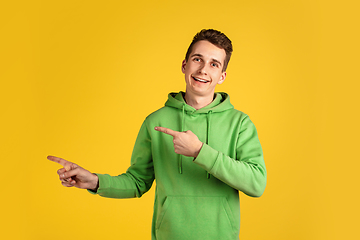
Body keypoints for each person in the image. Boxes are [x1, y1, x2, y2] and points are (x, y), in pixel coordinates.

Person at [48, 29, 267, 240]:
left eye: (214, 64)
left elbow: (256, 184)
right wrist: (95, 182)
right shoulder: (156, 122)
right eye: (197, 59)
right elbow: (137, 182)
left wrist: (200, 151)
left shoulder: (240, 124)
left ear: (222, 76)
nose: (203, 70)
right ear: (184, 65)